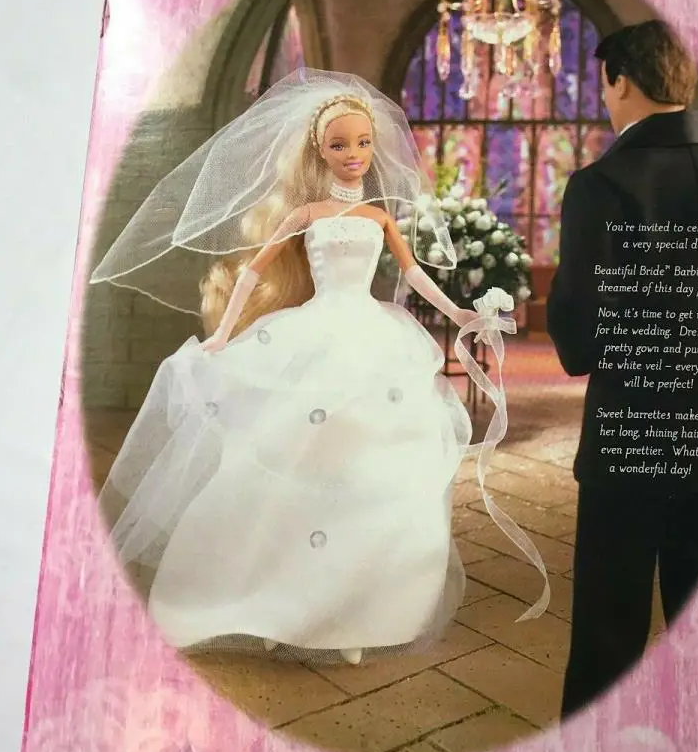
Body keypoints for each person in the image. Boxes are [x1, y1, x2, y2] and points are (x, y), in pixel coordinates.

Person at [91, 69, 548, 667]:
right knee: (297, 458)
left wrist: (459, 312)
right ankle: (279, 603)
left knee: (368, 464)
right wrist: (224, 334)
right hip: (315, 331)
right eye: (339, 144)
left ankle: (356, 610)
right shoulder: (306, 214)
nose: (353, 154)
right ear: (320, 150)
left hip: (370, 334)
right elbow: (254, 271)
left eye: (362, 143)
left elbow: (413, 275)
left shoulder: (380, 218)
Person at [547, 21, 698, 718]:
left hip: (630, 433)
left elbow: (580, 327)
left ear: (620, 80)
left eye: (603, 84)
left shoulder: (602, 184)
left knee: (609, 630)